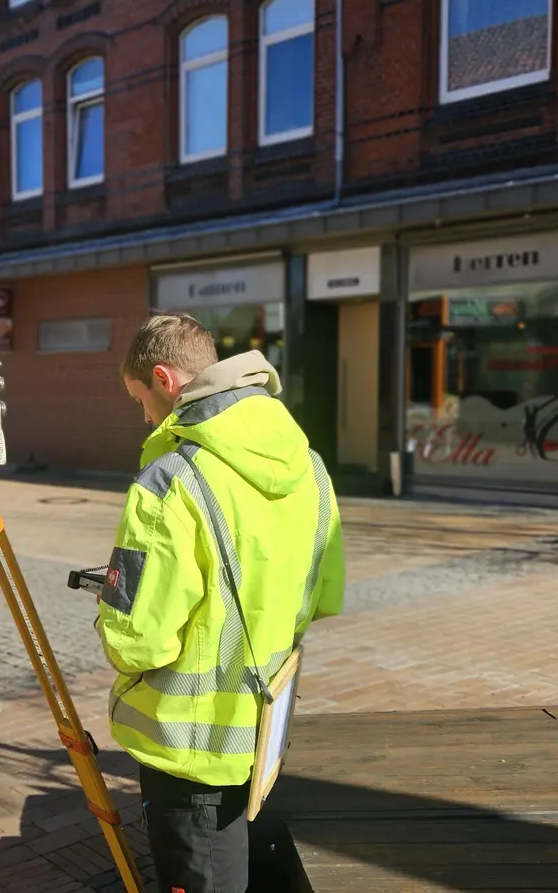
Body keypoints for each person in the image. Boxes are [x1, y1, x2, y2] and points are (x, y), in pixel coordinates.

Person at [96, 314, 345, 893]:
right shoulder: (309, 465)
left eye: (141, 399)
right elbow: (324, 591)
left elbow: (138, 640)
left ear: (165, 379)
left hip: (189, 744)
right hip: (260, 726)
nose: (144, 416)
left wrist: (114, 606)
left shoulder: (170, 480)